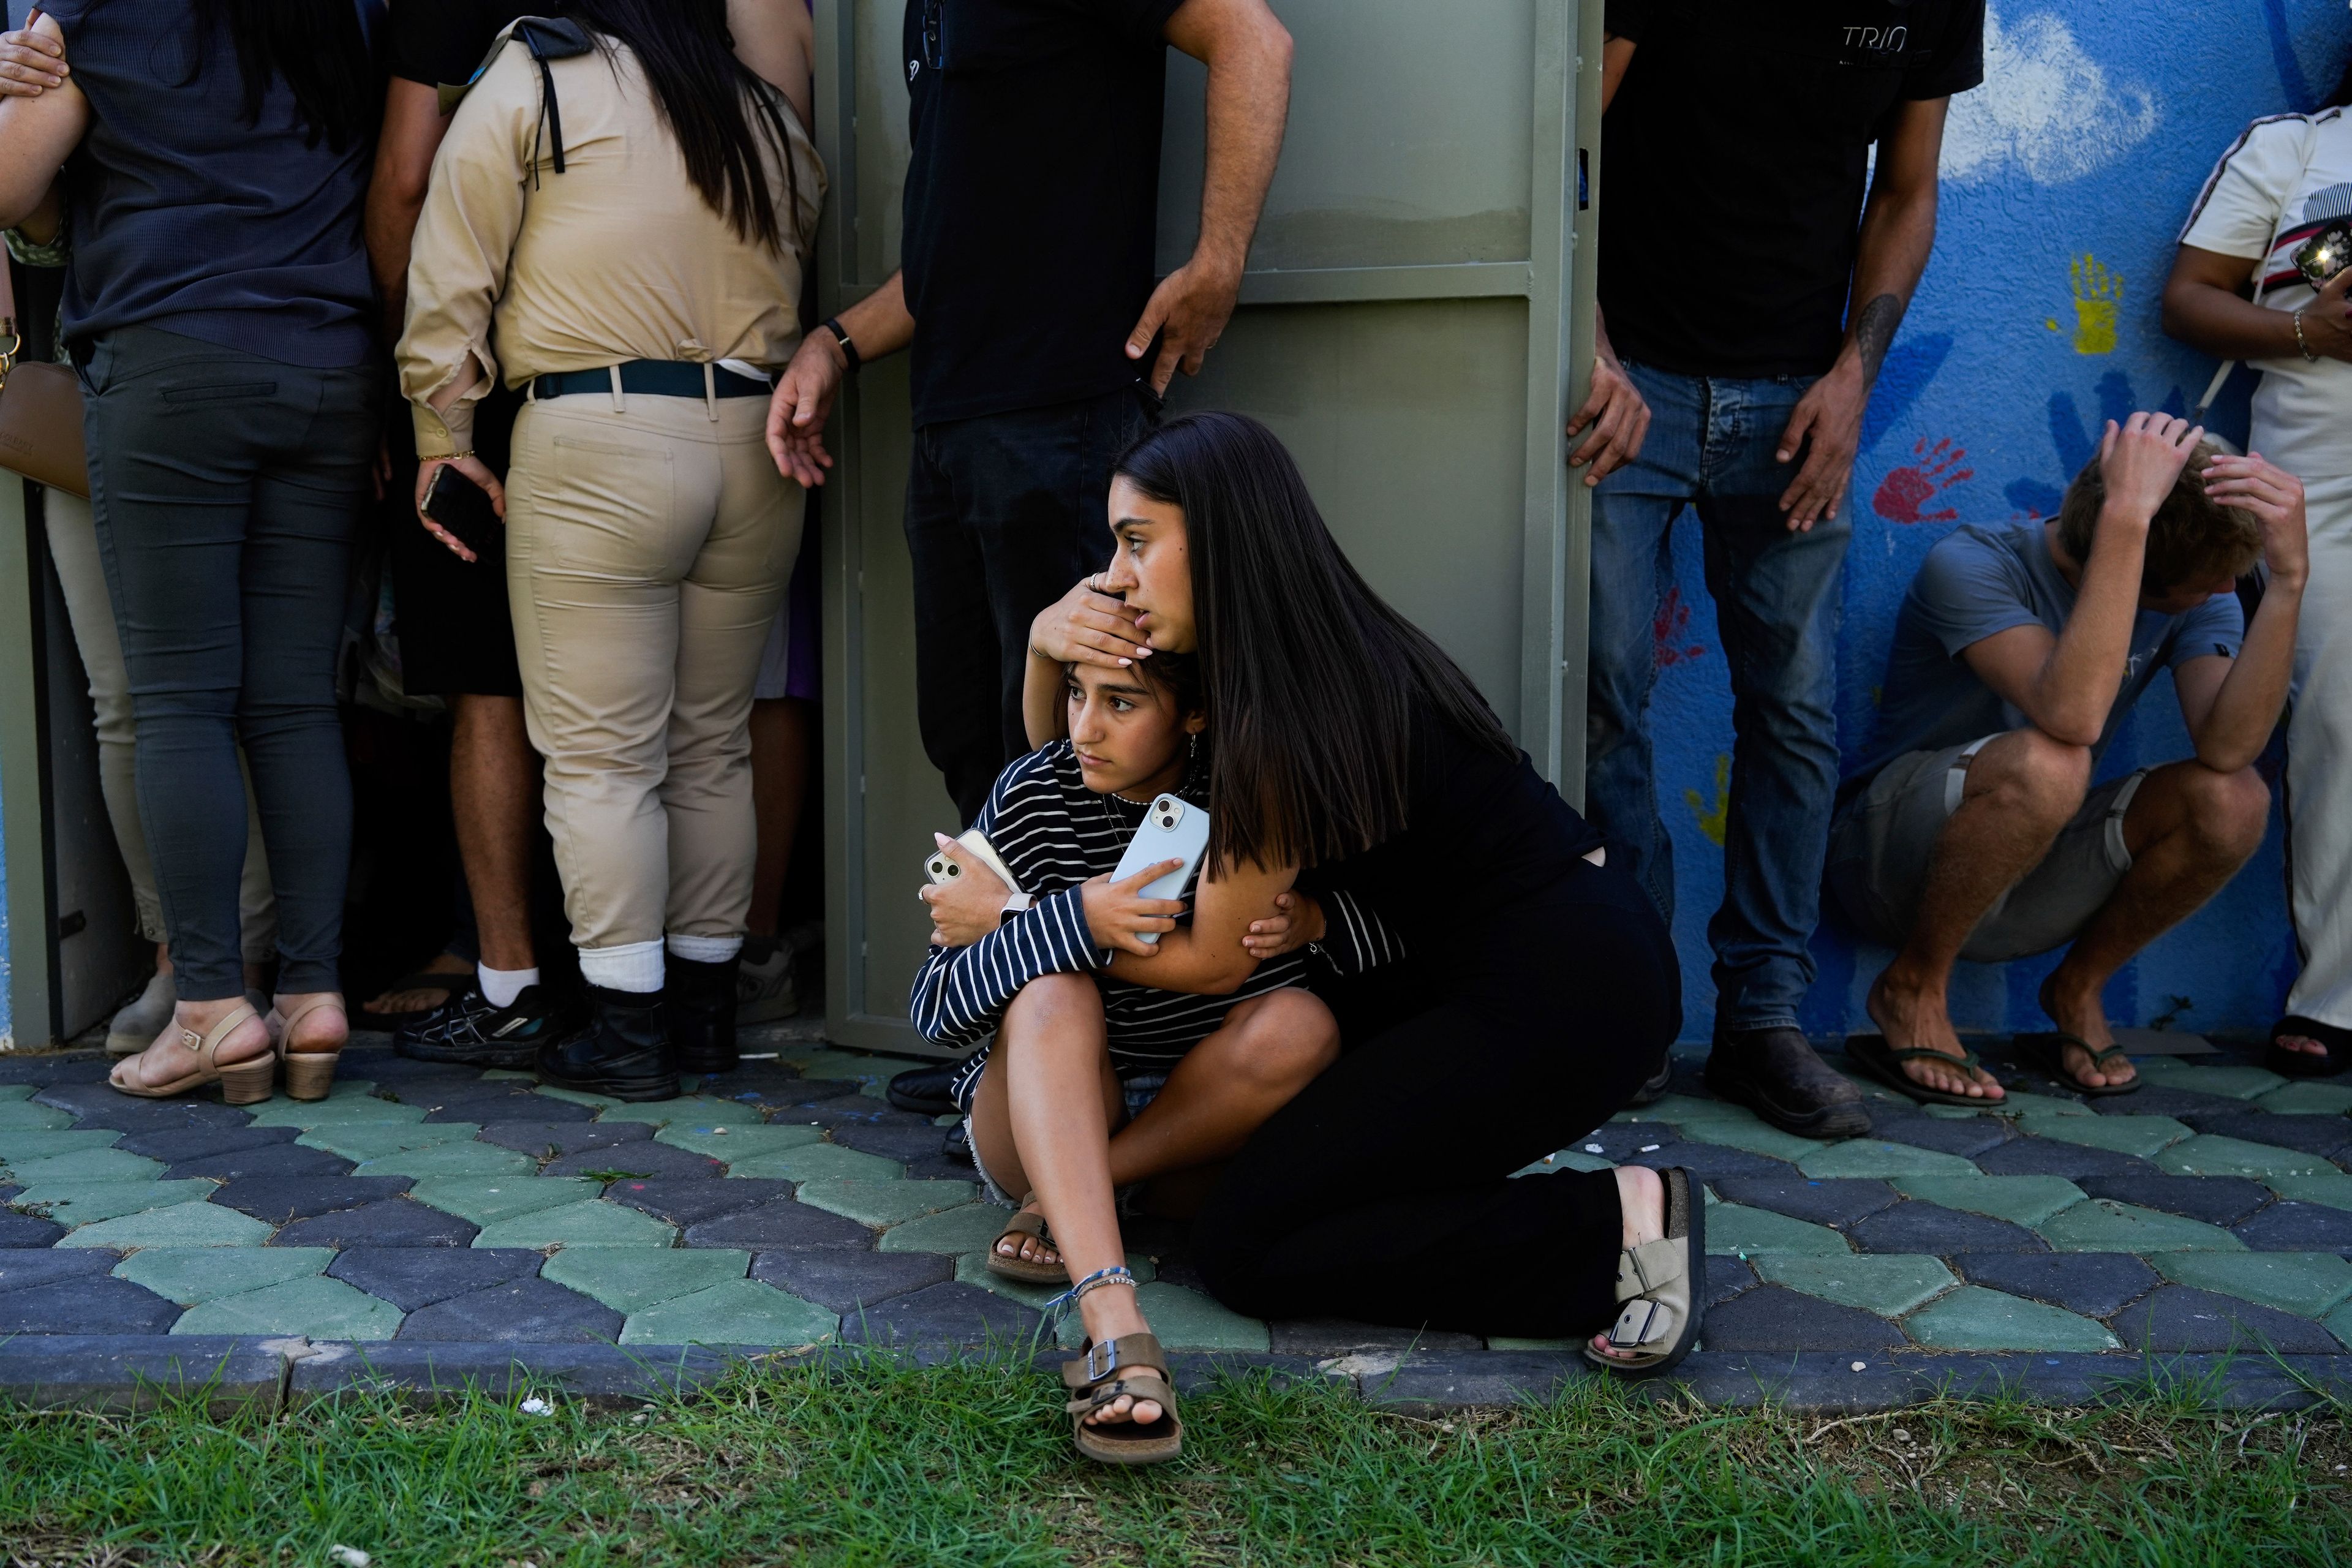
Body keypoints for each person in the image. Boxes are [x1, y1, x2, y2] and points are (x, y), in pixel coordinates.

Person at [1028, 413, 1695, 1384]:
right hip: (1476, 968)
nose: (1116, 576)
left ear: (1219, 537)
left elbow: (1212, 959)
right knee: (1256, 1168)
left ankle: (1621, 1221)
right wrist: (1051, 650)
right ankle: (1108, 1179)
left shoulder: (1286, 715)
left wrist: (1023, 932)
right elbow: (1058, 765)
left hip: (1567, 995)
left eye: (1136, 543)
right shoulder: (1303, 656)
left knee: (1245, 1247)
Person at [813, 0, 1296, 1125]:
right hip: (951, 424)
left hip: (1061, 419)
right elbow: (955, 257)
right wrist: (834, 345)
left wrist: (1217, 262)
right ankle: (1024, 1040)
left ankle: (1116, 1066)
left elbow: (1255, 40)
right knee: (980, 749)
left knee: (1121, 752)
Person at [399, 0, 824, 1102]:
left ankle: (627, 1032)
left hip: (599, 437)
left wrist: (443, 435)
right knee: (712, 744)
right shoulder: (756, 108)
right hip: (755, 441)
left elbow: (450, 269)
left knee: (601, 755)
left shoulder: (538, 74)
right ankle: (707, 1019)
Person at [1583, 1, 1985, 1137]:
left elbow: (1907, 191)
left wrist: (1855, 380)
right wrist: (1586, 343)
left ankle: (1765, 1023)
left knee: (1796, 710)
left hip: (1799, 398)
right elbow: (1567, 144)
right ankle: (1632, 1006)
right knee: (1603, 694)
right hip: (1629, 390)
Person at [0, 0, 378, 1103]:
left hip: (174, 363)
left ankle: (212, 1010)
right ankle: (312, 999)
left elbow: (10, 189)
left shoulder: (102, 8)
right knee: (297, 705)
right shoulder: (351, 11)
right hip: (329, 368)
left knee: (179, 702)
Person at [907, 647, 1396, 1461]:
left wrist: (1316, 921)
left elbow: (1394, 946)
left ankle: (1087, 1190)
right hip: (1036, 1121)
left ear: (1195, 713)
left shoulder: (1255, 795)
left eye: (1122, 704)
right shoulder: (1032, 793)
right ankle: (1110, 1312)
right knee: (1052, 991)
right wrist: (1062, 921)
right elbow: (936, 1013)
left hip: (1196, 1135)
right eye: (1074, 694)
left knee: (1302, 1026)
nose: (1085, 728)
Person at [1828, 415, 2300, 1101]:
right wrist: (2128, 522)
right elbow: (2073, 716)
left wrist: (2288, 581)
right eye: (2207, 584)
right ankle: (1914, 984)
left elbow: (2229, 748)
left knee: (2235, 799)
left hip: (2031, 871)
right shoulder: (1974, 563)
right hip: (1888, 862)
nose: (2225, 594)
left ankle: (2079, 987)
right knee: (2056, 759)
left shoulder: (2197, 600)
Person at [0, 31, 279, 1050]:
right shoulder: (56, 32)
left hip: (270, 372)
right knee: (127, 696)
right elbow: (36, 222)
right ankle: (185, 953)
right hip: (93, 389)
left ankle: (249, 956)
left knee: (268, 694)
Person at [362, 0, 546, 1052]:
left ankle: (506, 971)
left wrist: (401, 372)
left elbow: (401, 182)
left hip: (471, 377)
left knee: (485, 684)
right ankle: (631, 979)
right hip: (623, 366)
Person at [2164, 63, 2352, 1077]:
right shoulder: (2294, 148)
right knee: (2336, 726)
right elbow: (2189, 297)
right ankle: (2338, 1000)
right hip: (2320, 494)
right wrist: (2306, 328)